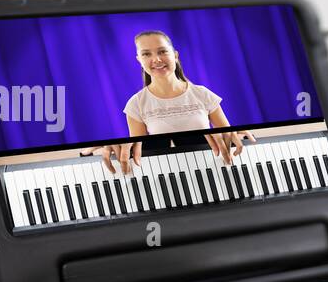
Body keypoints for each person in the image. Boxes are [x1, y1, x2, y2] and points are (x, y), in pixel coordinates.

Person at [92, 29, 254, 174]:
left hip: (214, 168)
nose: (156, 59)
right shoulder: (136, 103)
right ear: (139, 60)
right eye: (146, 54)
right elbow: (140, 152)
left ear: (175, 55)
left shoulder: (202, 93)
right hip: (168, 173)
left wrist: (238, 133)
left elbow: (227, 134)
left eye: (162, 51)